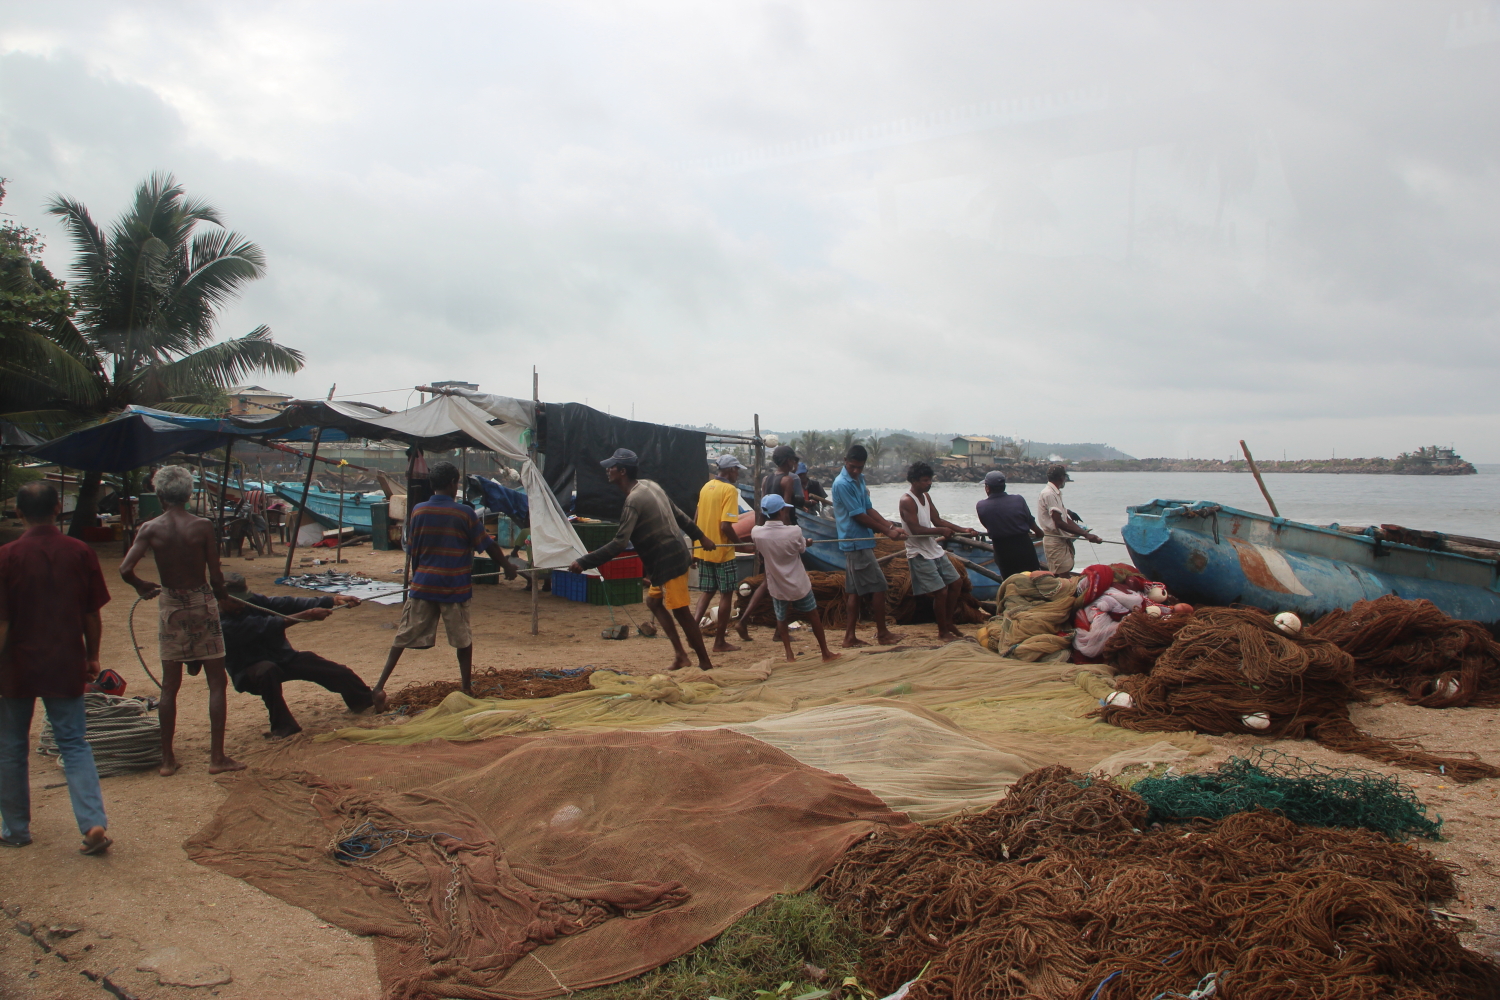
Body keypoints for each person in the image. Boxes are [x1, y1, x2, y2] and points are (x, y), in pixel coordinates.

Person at [0, 481, 111, 854]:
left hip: (16, 665)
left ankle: (16, 829)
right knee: (74, 743)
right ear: (58, 509)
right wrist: (92, 656)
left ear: (19, 513)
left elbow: (2, 622)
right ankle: (92, 822)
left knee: (11, 747)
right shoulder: (80, 552)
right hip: (65, 660)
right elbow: (91, 613)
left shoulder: (6, 556)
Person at [120, 465, 243, 776]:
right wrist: (222, 596)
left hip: (171, 606)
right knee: (216, 682)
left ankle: (167, 760)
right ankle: (217, 758)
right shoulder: (202, 526)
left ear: (159, 494)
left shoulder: (150, 528)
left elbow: (125, 569)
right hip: (202, 603)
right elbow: (216, 576)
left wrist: (140, 585)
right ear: (189, 494)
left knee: (169, 686)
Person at [570, 448, 719, 671]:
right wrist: (701, 537)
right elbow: (679, 514)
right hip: (665, 559)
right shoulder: (650, 485)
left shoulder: (633, 501)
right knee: (653, 602)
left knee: (681, 612)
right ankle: (681, 655)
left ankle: (705, 663)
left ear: (622, 471)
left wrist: (585, 562)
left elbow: (620, 543)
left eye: (611, 467)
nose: (608, 470)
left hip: (670, 561)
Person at [375, 461, 507, 696]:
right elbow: (488, 544)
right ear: (453, 483)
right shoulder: (464, 513)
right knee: (463, 640)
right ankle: (465, 688)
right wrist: (507, 566)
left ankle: (379, 686)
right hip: (454, 589)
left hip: (423, 585)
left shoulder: (418, 511)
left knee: (403, 636)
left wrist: (416, 579)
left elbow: (413, 550)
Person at [216, 574, 385, 738]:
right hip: (249, 670)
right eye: (236, 601)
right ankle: (283, 727)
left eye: (244, 599)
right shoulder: (218, 623)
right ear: (220, 599)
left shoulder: (251, 602)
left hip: (280, 657)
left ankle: (364, 701)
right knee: (267, 671)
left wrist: (332, 600)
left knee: (329, 669)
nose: (242, 604)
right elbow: (266, 625)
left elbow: (286, 603)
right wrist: (307, 615)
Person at [831, 444, 907, 647]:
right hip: (855, 542)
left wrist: (890, 526)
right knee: (879, 587)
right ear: (845, 462)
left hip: (861, 541)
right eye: (852, 467)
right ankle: (882, 633)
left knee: (855, 592)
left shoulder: (859, 479)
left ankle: (849, 637)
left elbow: (868, 509)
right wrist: (887, 532)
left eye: (860, 467)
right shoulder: (842, 484)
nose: (856, 471)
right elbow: (858, 516)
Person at [750, 494, 840, 663]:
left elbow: (762, 535)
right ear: (781, 511)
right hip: (798, 583)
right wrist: (807, 542)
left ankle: (789, 655)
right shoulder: (794, 531)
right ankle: (825, 652)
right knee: (813, 615)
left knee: (781, 618)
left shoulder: (756, 532)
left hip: (777, 583)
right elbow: (802, 548)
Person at [897, 462, 975, 642]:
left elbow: (937, 520)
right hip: (918, 552)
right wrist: (940, 531)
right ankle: (942, 632)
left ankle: (948, 622)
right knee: (941, 592)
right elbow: (915, 530)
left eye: (930, 480)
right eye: (925, 480)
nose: (929, 483)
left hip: (933, 549)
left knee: (956, 583)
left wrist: (963, 529)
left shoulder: (926, 496)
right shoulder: (907, 500)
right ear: (914, 481)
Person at [734, 445, 805, 641]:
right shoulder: (787, 480)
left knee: (770, 580)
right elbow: (786, 512)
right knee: (787, 580)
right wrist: (791, 536)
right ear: (788, 461)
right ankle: (778, 631)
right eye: (793, 460)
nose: (794, 464)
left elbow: (762, 509)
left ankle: (747, 622)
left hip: (767, 532)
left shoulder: (767, 479)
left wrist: (759, 534)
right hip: (782, 533)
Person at [692, 454, 746, 653]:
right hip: (722, 551)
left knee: (707, 592)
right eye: (737, 469)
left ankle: (691, 633)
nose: (738, 473)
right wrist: (742, 545)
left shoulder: (706, 487)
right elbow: (725, 526)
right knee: (726, 594)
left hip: (704, 548)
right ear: (730, 470)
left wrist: (695, 546)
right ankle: (720, 642)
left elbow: (695, 518)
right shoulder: (729, 490)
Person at [975, 470, 1043, 579]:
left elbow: (988, 525)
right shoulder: (1018, 499)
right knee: (1032, 577)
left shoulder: (981, 506)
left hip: (1002, 549)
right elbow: (1030, 521)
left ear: (987, 488)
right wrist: (1039, 532)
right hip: (1023, 546)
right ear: (1004, 486)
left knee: (1010, 580)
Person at [1036, 463, 1101, 575]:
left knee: (1064, 571)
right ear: (1062, 478)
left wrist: (1084, 532)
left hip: (1060, 538)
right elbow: (1059, 523)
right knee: (1062, 575)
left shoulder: (1055, 493)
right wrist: (1086, 535)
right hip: (1054, 539)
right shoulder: (1049, 494)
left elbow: (1065, 519)